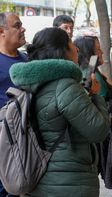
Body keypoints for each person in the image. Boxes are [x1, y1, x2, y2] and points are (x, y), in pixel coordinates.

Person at [9, 27, 110, 197]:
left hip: (38, 178)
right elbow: (99, 130)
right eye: (70, 42)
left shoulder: (30, 83)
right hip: (69, 184)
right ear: (61, 50)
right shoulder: (65, 85)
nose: (76, 48)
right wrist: (95, 94)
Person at [0, 12, 26, 197]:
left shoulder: (28, 60)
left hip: (26, 141)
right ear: (2, 31)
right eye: (17, 25)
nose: (23, 28)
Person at [73, 35, 112, 101]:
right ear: (89, 54)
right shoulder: (94, 77)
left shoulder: (83, 70)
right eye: (98, 49)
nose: (102, 52)